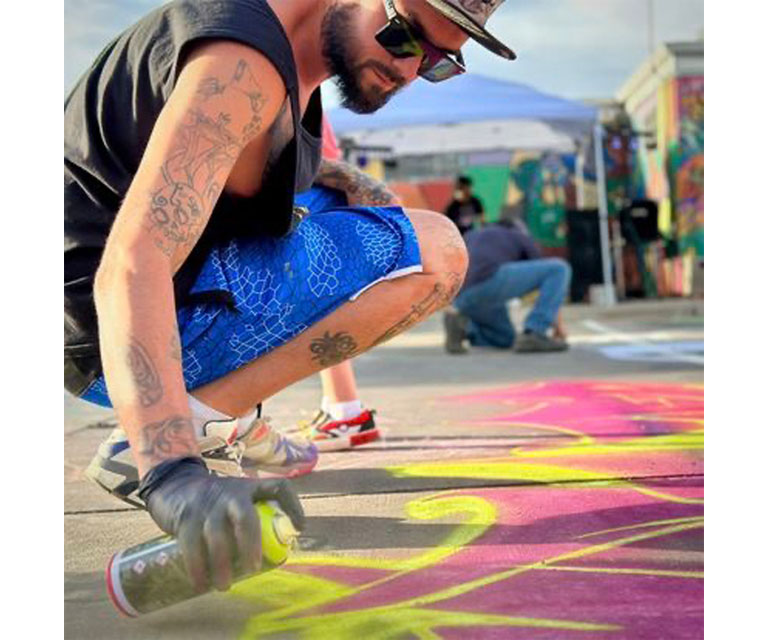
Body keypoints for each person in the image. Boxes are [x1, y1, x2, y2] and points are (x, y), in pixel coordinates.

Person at [64, 0, 516, 594]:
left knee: (366, 213)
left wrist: (343, 177)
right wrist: (171, 470)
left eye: (439, 63)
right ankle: (182, 426)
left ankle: (215, 416)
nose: (409, 71)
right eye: (403, 36)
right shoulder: (241, 65)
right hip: (104, 334)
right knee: (436, 252)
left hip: (119, 308)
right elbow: (134, 260)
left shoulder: (290, 57)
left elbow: (258, 152)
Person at [443, 218, 571, 354]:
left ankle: (466, 329)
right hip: (491, 280)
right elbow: (550, 282)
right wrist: (559, 327)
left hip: (462, 297)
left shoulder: (470, 235)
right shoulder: (518, 235)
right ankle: (535, 332)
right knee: (558, 269)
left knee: (506, 339)